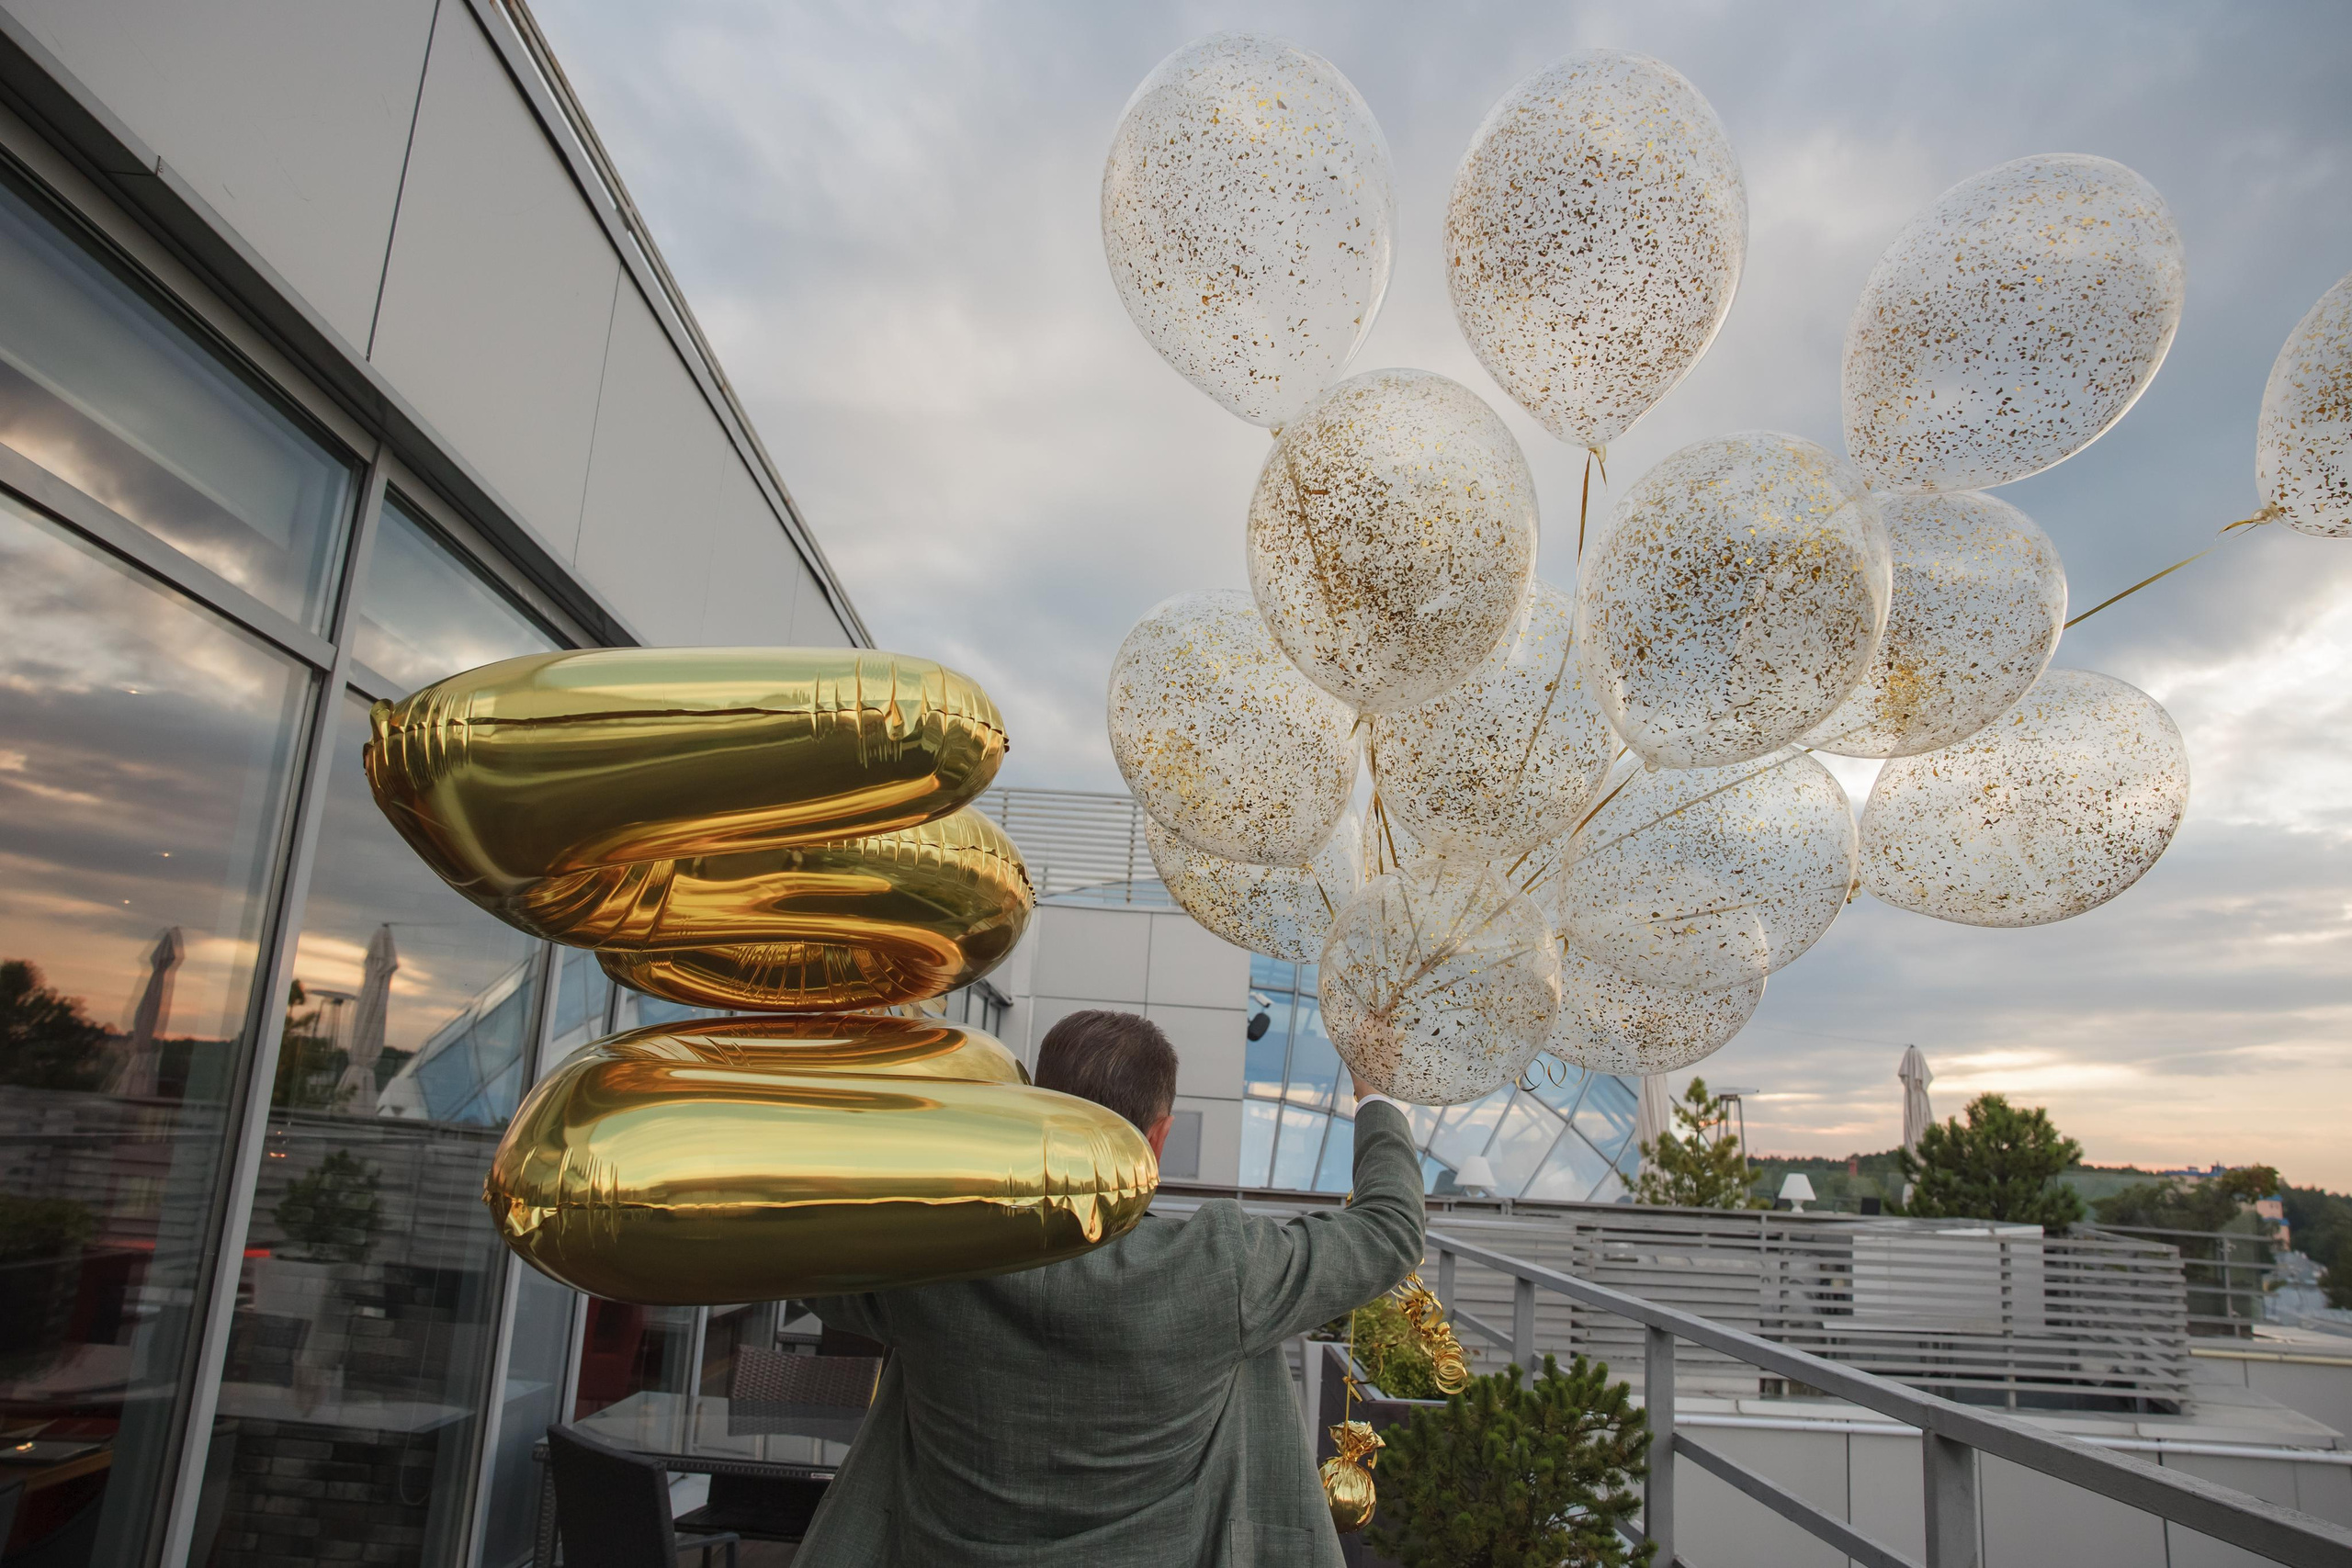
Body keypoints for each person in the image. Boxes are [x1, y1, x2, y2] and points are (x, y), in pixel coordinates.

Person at [797, 1008, 1427, 1566]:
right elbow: (1390, 1229)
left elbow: (800, 1257)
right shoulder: (1218, 1270)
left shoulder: (933, 1261)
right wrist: (1375, 1089)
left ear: (1036, 1114)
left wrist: (876, 1074)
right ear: (1157, 1139)